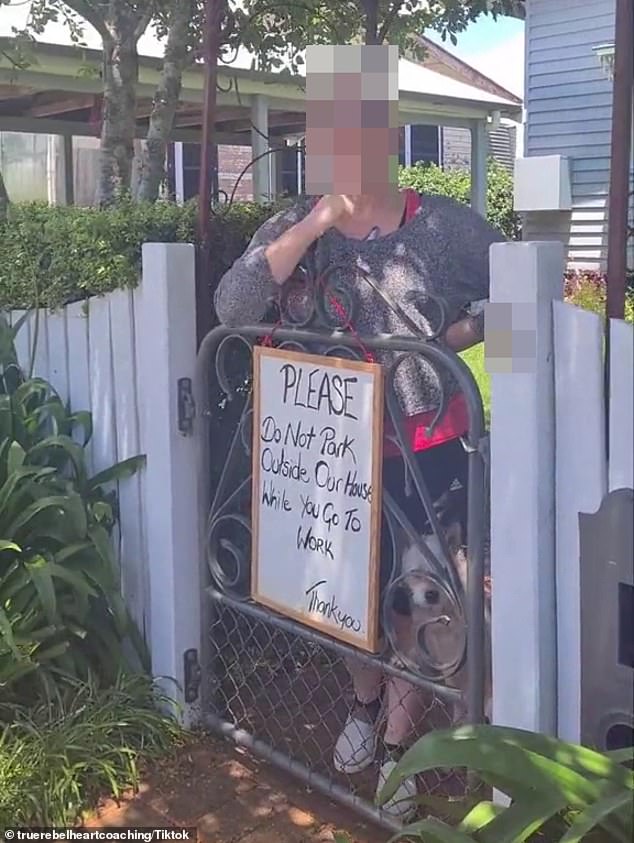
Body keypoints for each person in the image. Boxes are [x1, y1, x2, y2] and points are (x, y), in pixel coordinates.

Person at [214, 44, 505, 818]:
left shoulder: (442, 227)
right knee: (340, 589)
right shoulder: (298, 224)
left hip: (427, 447)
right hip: (328, 449)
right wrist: (316, 223)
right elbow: (234, 308)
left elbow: (522, 281)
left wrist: (458, 330)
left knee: (418, 596)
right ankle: (366, 702)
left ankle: (405, 744)